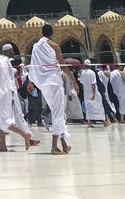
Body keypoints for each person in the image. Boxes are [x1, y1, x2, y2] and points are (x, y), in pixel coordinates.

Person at [29, 24, 78, 155]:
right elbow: (63, 66)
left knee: (59, 112)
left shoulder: (36, 47)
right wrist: (74, 81)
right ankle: (54, 147)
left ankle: (63, 144)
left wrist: (30, 81)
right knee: (58, 114)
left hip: (44, 84)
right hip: (54, 82)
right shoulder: (54, 46)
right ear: (52, 33)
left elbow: (33, 65)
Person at [0, 42, 32, 152]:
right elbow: (11, 78)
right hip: (8, 92)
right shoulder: (5, 60)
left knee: (4, 120)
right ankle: (2, 145)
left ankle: (24, 134)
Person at [81, 60, 109, 127]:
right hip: (93, 93)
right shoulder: (92, 73)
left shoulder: (82, 73)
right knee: (99, 106)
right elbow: (93, 84)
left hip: (86, 93)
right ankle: (104, 121)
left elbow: (82, 83)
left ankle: (89, 123)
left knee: (89, 108)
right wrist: (93, 94)